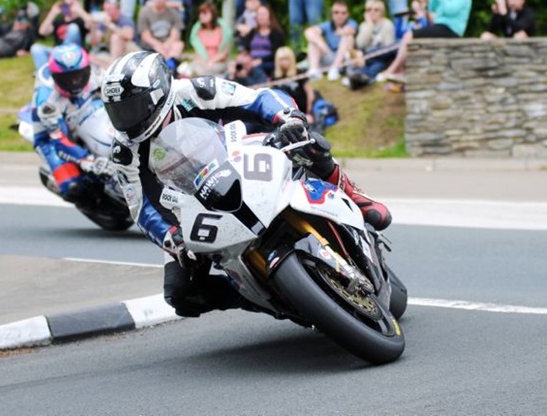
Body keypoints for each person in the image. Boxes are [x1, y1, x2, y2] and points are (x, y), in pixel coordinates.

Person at [100, 50, 392, 317]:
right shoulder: (124, 151)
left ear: (157, 93)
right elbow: (140, 208)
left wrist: (287, 119)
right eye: (119, 112)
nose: (127, 120)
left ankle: (356, 198)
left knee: (309, 143)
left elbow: (257, 98)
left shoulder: (194, 91)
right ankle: (268, 299)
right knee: (180, 294)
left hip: (239, 156)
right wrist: (171, 238)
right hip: (189, 205)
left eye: (133, 108)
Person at [32, 43, 113, 201]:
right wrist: (89, 160)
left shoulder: (95, 74)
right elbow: (59, 139)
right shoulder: (47, 100)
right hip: (51, 136)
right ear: (55, 77)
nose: (75, 82)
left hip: (85, 110)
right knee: (74, 189)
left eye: (79, 75)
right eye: (67, 79)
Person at [380, 0, 471, 79]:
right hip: (440, 26)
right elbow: (432, 7)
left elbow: (450, 9)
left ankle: (393, 70)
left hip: (452, 29)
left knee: (410, 35)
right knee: (412, 39)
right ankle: (402, 72)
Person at [343, 0, 396, 89]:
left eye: (376, 10)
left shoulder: (387, 24)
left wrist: (365, 55)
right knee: (369, 66)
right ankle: (362, 79)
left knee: (377, 64)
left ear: (382, 12)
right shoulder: (364, 25)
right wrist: (370, 25)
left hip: (380, 57)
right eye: (369, 10)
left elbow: (388, 48)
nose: (372, 12)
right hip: (366, 58)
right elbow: (360, 44)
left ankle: (360, 78)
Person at [31, 0, 93, 69]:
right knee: (35, 48)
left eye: (71, 4)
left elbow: (91, 23)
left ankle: (64, 53)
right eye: (66, 5)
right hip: (58, 53)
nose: (68, 7)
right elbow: (42, 32)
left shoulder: (81, 20)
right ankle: (47, 78)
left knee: (73, 27)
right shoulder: (58, 22)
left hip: (75, 53)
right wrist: (52, 12)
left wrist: (79, 10)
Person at [304, 0, 358, 81]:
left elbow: (351, 30)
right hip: (329, 55)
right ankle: (314, 71)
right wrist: (321, 44)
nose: (340, 15)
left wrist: (342, 32)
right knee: (313, 42)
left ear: (348, 14)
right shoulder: (327, 25)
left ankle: (335, 69)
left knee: (348, 37)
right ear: (332, 14)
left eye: (343, 13)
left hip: (345, 60)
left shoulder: (351, 23)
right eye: (336, 12)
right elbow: (308, 32)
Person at [138, 0, 184, 71]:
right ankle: (167, 65)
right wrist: (157, 45)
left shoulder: (173, 13)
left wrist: (167, 44)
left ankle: (170, 66)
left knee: (179, 45)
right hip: (151, 45)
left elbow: (175, 33)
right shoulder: (144, 12)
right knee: (158, 49)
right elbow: (145, 36)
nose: (159, 0)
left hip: (168, 43)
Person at [89, 0, 138, 68]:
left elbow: (128, 36)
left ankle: (111, 68)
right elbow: (94, 43)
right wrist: (92, 27)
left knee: (116, 38)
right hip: (114, 55)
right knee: (90, 57)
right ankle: (110, 68)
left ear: (118, 9)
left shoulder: (125, 20)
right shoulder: (104, 23)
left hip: (130, 53)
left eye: (109, 9)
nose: (106, 12)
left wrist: (110, 25)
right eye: (105, 9)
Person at [187, 1, 231, 76]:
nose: (201, 16)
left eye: (204, 13)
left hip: (218, 62)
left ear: (212, 14)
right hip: (202, 63)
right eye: (200, 13)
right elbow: (198, 52)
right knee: (196, 69)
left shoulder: (222, 30)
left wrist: (211, 61)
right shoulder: (198, 31)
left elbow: (224, 52)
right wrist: (204, 63)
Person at [242, 4, 285, 78]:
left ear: (269, 16)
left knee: (255, 69)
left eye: (263, 14)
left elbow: (277, 52)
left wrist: (261, 60)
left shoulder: (276, 33)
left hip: (268, 62)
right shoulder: (252, 32)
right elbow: (246, 49)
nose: (261, 17)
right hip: (251, 61)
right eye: (259, 14)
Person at [272, 46, 314, 115]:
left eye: (286, 59)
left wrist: (309, 112)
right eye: (281, 59)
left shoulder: (299, 73)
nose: (284, 62)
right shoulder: (275, 76)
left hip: (302, 110)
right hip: (284, 112)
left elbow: (310, 94)